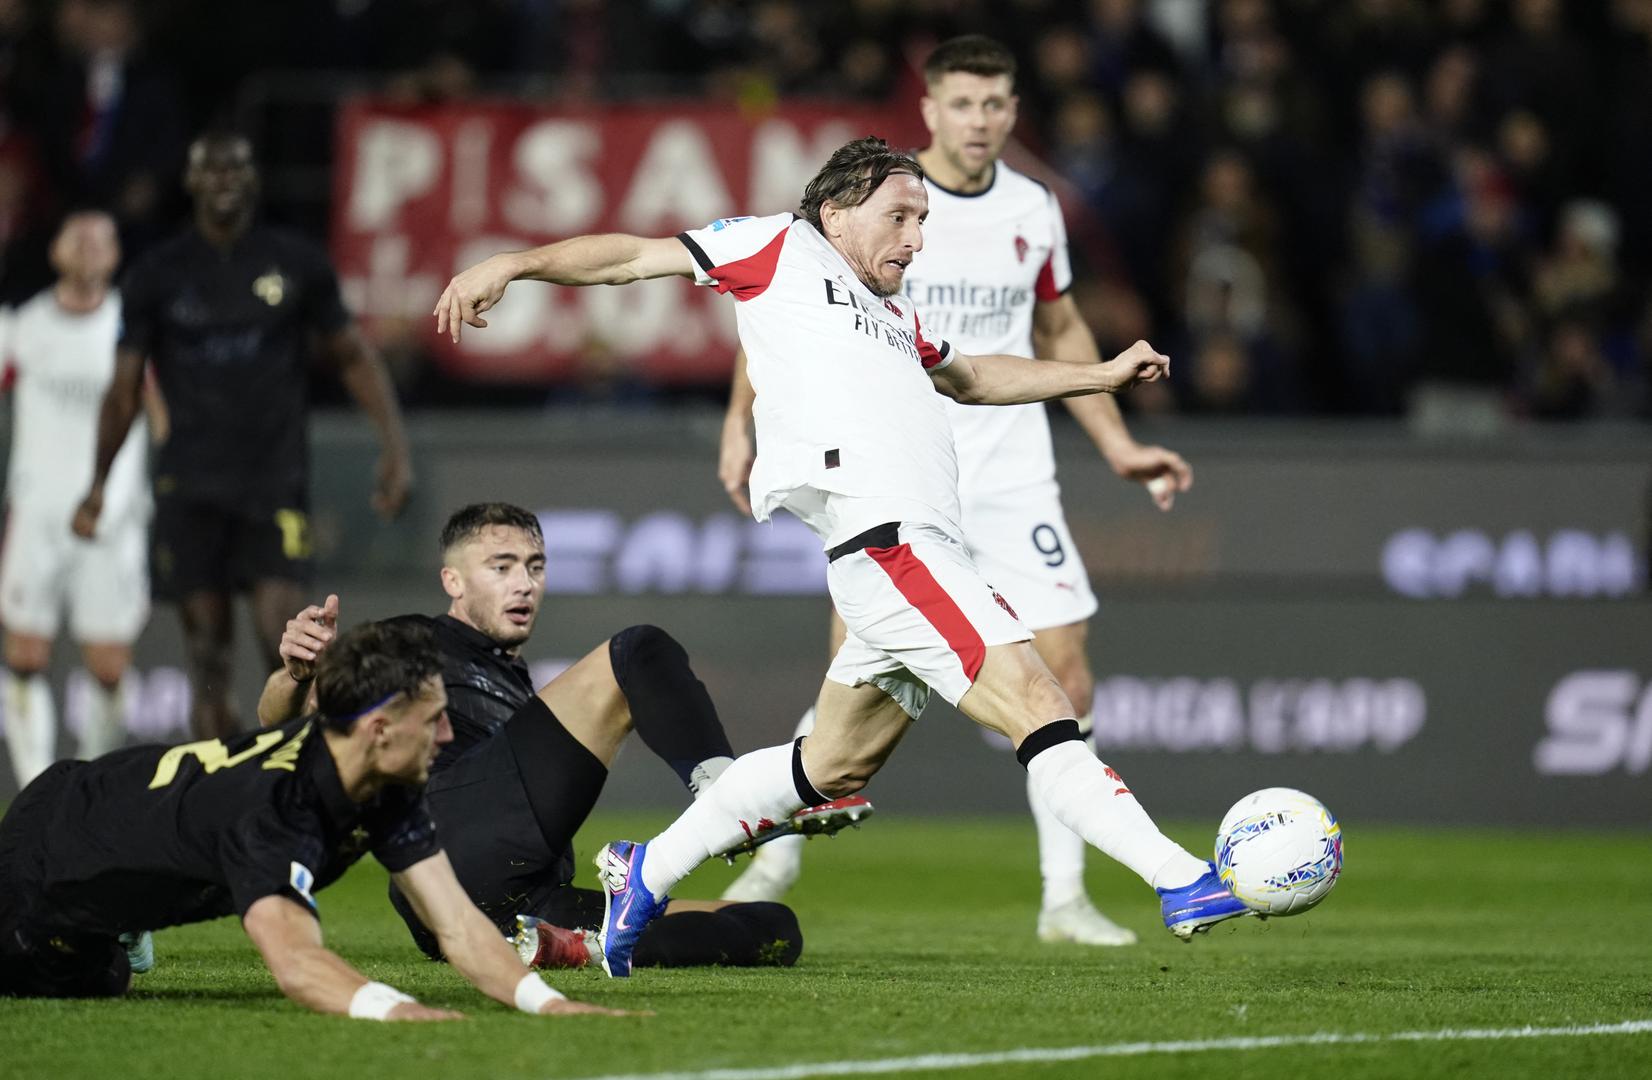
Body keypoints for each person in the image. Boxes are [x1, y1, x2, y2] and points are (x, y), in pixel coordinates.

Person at [433, 134, 1249, 978]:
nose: (917, 238)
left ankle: (648, 873)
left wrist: (1099, 375)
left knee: (829, 765)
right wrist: (514, 264)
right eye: (900, 216)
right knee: (1040, 699)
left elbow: (974, 378)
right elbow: (631, 259)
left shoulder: (894, 315)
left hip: (908, 553)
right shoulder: (776, 247)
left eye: (923, 221)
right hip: (890, 544)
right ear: (835, 211)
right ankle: (1179, 878)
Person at [716, 36, 1194, 947]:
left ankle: (1064, 899)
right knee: (856, 677)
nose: (980, 121)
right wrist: (741, 419)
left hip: (1011, 468)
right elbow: (779, 311)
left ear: (1015, 112)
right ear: (930, 110)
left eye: (996, 104)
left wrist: (1119, 443)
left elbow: (1058, 325)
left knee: (1066, 672)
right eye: (963, 104)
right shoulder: (880, 204)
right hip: (894, 464)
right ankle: (774, 858)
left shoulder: (1034, 208)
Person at [257, 502, 853, 970]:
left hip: (517, 903)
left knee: (769, 928)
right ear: (452, 581)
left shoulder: (513, 681)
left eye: (535, 567)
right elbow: (285, 722)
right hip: (447, 848)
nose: (524, 584)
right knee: (638, 652)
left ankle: (567, 947)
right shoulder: (412, 639)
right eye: (501, 567)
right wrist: (295, 675)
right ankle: (728, 794)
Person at [0, 618, 633, 1020]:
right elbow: (297, 964)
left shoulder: (379, 778)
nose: (447, 735)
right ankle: (117, 929)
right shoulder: (277, 811)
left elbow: (460, 925)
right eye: (435, 719)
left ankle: (123, 919)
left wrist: (548, 1004)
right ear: (379, 730)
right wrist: (397, 1011)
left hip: (116, 806)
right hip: (39, 871)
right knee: (96, 982)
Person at [71, 132, 414, 742]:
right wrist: (97, 483)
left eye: (236, 168)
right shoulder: (156, 275)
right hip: (189, 484)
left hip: (273, 481)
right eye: (212, 168)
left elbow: (353, 357)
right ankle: (224, 792)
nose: (224, 179)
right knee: (207, 660)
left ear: (253, 179)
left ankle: (298, 785)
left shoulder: (296, 262)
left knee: (291, 647)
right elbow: (123, 391)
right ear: (191, 181)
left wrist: (395, 449)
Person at [0, 210, 161, 788]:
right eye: (78, 236)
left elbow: (164, 415)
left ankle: (88, 784)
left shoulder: (133, 326)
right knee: (25, 653)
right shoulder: (23, 327)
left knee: (109, 664)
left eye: (102, 238)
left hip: (113, 520)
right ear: (55, 251)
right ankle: (35, 786)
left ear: (117, 255)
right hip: (38, 513)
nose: (90, 246)